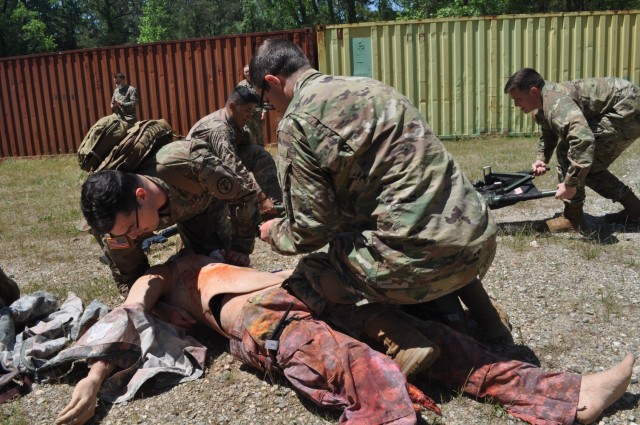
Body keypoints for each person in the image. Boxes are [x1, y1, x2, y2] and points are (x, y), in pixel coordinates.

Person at [55, 255, 634, 425]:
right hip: (255, 316)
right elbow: (126, 317)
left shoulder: (210, 247)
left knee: (432, 338)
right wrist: (93, 376)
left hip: (297, 287)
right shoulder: (160, 274)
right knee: (355, 367)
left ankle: (567, 395)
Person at [249, 38, 511, 367]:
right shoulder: (372, 87)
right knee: (429, 221)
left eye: (266, 102)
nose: (271, 109)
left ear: (272, 82)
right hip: (479, 238)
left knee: (313, 269)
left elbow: (311, 230)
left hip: (428, 261)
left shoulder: (298, 120)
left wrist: (274, 231)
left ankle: (403, 343)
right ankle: (491, 322)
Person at [80, 138, 258, 294]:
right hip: (177, 210)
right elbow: (131, 280)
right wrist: (161, 309)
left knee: (225, 269)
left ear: (141, 196)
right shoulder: (118, 227)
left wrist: (240, 248)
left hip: (203, 207)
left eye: (132, 228)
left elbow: (243, 195)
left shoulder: (189, 164)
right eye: (125, 233)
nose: (133, 236)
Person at [504, 68, 640, 232]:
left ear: (533, 91)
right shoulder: (544, 102)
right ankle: (635, 208)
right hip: (621, 102)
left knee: (570, 153)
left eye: (518, 99)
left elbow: (582, 139)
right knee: (588, 166)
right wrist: (542, 158)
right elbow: (549, 130)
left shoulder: (557, 103)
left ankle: (572, 218)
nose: (516, 105)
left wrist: (570, 183)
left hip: (627, 107)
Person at [187, 85, 282, 218]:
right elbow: (234, 166)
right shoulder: (220, 129)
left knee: (259, 154)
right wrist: (261, 197)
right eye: (247, 111)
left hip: (216, 166)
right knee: (237, 175)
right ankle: (238, 216)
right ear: (232, 106)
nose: (249, 116)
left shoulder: (235, 122)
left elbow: (250, 147)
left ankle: (275, 207)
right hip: (196, 179)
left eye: (252, 111)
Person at [237, 64, 270, 147]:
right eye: (246, 72)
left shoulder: (258, 83)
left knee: (259, 134)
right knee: (248, 133)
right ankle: (252, 152)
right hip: (247, 114)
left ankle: (262, 152)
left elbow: (264, 98)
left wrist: (264, 111)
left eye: (249, 71)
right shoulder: (241, 85)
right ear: (244, 73)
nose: (247, 73)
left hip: (257, 113)